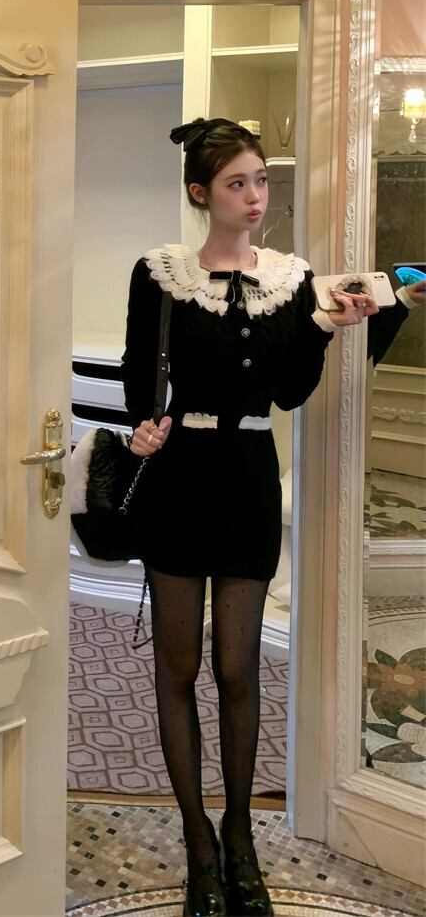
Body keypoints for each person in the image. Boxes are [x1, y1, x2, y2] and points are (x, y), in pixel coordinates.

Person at [120, 117, 385, 917]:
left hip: (246, 479)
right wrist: (142, 426)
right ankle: (198, 843)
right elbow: (140, 372)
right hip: (177, 479)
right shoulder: (161, 274)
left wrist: (324, 328)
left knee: (237, 670)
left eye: (261, 180)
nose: (256, 196)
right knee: (177, 669)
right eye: (238, 183)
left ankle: (239, 837)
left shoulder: (292, 279)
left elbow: (290, 392)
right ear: (201, 194)